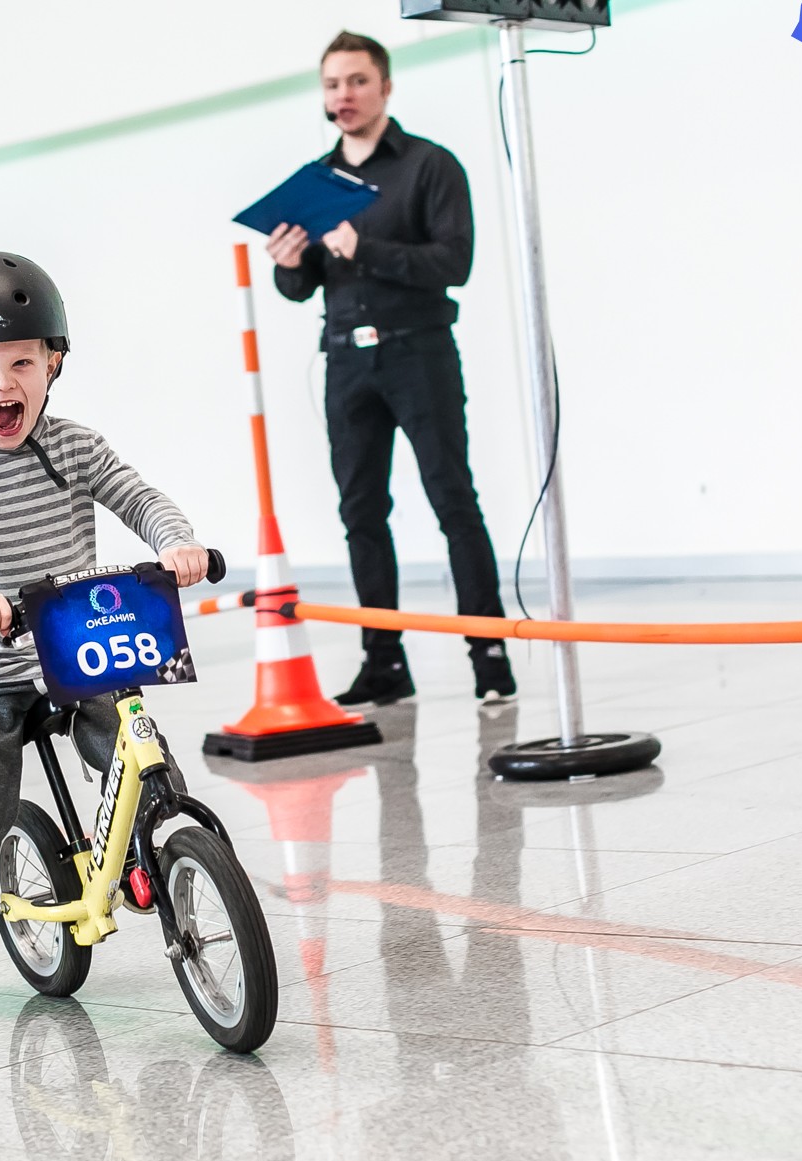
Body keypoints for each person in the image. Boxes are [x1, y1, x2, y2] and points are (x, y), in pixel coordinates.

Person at [0, 252, 209, 959]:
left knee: (143, 763)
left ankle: (147, 855)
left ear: (52, 364)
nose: (3, 384)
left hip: (78, 648)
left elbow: (138, 498)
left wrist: (177, 543)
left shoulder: (76, 448)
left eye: (22, 364)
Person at [267, 30, 515, 707]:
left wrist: (365, 248)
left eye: (356, 81)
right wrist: (289, 264)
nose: (343, 95)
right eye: (332, 84)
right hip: (347, 361)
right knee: (361, 512)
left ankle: (489, 655)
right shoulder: (316, 181)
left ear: (385, 87)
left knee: (452, 498)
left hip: (418, 352)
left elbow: (454, 263)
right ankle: (384, 663)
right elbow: (302, 286)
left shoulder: (430, 165)